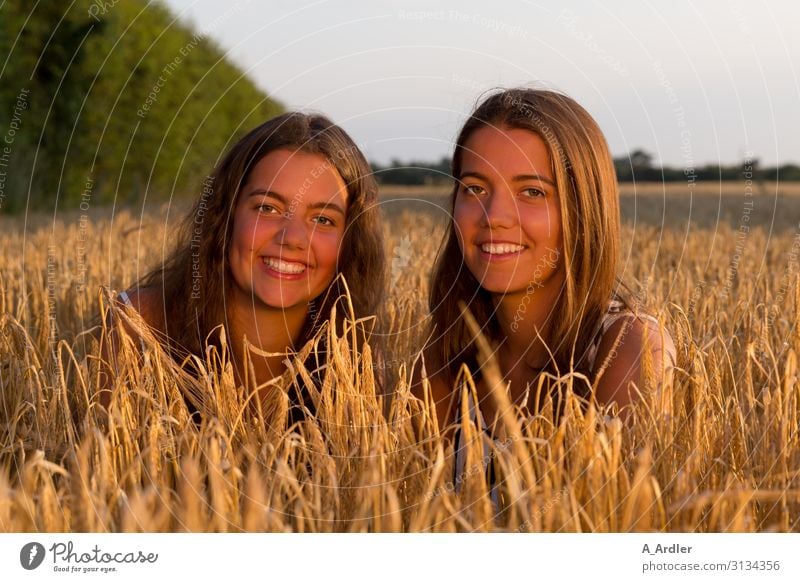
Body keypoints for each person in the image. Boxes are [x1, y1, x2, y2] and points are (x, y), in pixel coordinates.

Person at [415, 88, 675, 433]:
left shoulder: (628, 348)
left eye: (532, 192)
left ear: (583, 212)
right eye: (475, 188)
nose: (494, 217)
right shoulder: (445, 356)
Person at [99, 111, 385, 421]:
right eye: (267, 207)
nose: (292, 238)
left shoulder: (359, 366)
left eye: (322, 219)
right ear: (225, 216)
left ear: (350, 242)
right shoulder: (141, 330)